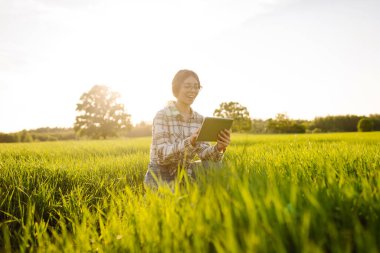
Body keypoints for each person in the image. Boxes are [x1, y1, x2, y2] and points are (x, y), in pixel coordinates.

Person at [144, 69, 231, 189]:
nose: (193, 90)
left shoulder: (199, 119)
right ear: (177, 87)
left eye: (196, 87)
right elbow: (161, 155)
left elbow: (204, 154)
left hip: (185, 172)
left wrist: (219, 147)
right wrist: (189, 142)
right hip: (160, 174)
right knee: (172, 204)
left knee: (216, 168)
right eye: (187, 86)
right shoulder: (163, 115)